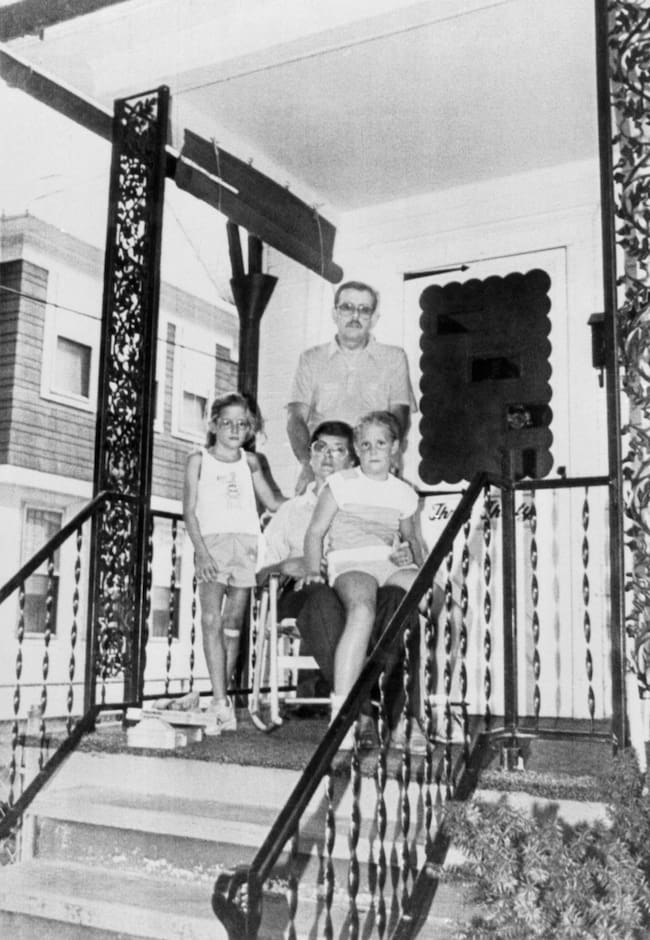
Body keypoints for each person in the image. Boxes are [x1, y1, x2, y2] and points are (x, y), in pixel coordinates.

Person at [259, 419, 423, 747]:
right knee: (326, 600)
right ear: (309, 455)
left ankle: (403, 715)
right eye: (320, 448)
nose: (328, 456)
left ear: (350, 459)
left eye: (338, 450)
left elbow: (406, 540)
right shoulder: (289, 510)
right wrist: (294, 565)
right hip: (310, 589)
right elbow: (261, 573)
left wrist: (406, 555)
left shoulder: (388, 492)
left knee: (397, 603)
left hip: (374, 576)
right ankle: (355, 712)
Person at [183, 393, 285, 735]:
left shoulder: (252, 462)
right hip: (211, 546)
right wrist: (201, 552)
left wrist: (311, 496)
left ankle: (220, 701)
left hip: (246, 547)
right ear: (213, 424)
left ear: (250, 428)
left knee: (232, 626)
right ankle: (219, 701)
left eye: (242, 423)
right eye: (227, 422)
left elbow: (272, 501)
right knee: (210, 619)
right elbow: (189, 511)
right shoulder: (198, 461)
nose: (234, 428)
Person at [287, 280, 416, 493]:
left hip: (372, 467)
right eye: (347, 307)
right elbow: (295, 419)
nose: (355, 316)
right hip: (325, 468)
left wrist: (390, 458)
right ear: (334, 313)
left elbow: (399, 417)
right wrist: (308, 464)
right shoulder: (310, 359)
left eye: (364, 310)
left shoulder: (394, 358)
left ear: (374, 318)